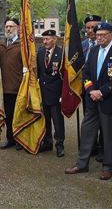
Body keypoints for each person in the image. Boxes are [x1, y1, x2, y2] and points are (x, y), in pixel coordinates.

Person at [65, 22, 112, 180]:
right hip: (92, 100)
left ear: (111, 35)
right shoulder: (93, 51)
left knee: (108, 135)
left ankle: (107, 166)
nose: (99, 37)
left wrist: (102, 92)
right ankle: (81, 164)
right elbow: (85, 73)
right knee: (86, 131)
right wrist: (91, 90)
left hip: (109, 101)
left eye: (103, 35)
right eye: (97, 34)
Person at [0, 17, 23, 150]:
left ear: (17, 28)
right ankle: (10, 139)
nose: (8, 29)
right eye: (6, 26)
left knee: (19, 116)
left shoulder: (23, 45)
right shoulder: (0, 45)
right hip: (4, 88)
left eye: (11, 26)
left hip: (18, 87)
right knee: (8, 115)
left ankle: (20, 140)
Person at [37, 29, 64, 157]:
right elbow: (38, 71)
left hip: (56, 93)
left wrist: (63, 95)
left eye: (47, 39)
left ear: (54, 39)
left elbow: (64, 75)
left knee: (57, 120)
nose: (45, 41)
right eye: (44, 39)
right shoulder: (40, 52)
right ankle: (47, 142)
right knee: (45, 120)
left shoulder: (62, 53)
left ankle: (59, 144)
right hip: (43, 92)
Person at [82, 15, 103, 160]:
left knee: (104, 121)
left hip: (103, 91)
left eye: (93, 27)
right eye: (88, 27)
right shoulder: (81, 45)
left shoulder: (104, 45)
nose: (91, 30)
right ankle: (91, 146)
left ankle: (103, 148)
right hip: (87, 88)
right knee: (89, 119)